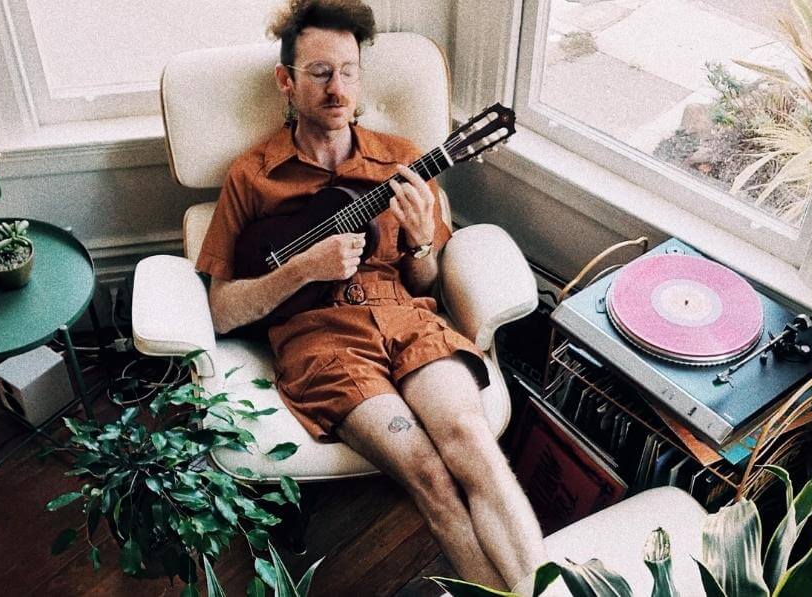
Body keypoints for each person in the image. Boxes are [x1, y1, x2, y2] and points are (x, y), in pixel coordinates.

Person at [194, 0, 547, 590]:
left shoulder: (404, 161)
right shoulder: (250, 176)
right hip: (321, 344)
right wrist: (302, 270)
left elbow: (425, 283)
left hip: (407, 320)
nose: (339, 88)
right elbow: (223, 309)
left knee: (474, 446)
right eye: (320, 72)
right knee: (430, 477)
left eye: (349, 71)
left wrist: (417, 245)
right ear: (287, 80)